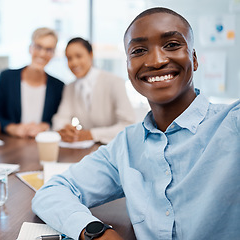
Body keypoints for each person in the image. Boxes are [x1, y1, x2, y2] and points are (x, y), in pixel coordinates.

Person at [32, 7, 240, 240]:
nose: (156, 60)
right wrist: (96, 233)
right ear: (129, 68)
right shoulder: (126, 147)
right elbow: (51, 191)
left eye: (171, 44)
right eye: (139, 50)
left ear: (194, 59)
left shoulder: (232, 124)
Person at [53, 37, 136, 144]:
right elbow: (60, 118)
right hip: (88, 150)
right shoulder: (70, 88)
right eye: (69, 58)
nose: (74, 62)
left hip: (116, 148)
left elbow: (128, 125)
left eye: (79, 56)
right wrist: (65, 129)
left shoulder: (114, 82)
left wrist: (91, 134)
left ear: (91, 55)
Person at [0, 27, 64, 138]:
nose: (42, 54)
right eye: (38, 47)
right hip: (11, 144)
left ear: (53, 54)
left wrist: (45, 126)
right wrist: (12, 128)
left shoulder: (58, 86)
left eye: (49, 50)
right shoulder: (7, 77)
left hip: (42, 145)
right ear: (30, 48)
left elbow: (59, 118)